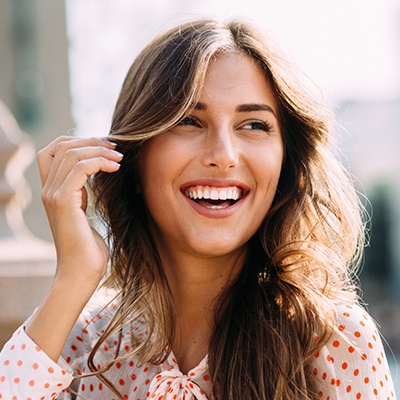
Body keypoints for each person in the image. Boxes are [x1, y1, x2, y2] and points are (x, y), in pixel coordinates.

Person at [0, 18, 396, 400]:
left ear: (285, 166)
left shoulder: (333, 340)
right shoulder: (82, 342)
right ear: (133, 158)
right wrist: (73, 278)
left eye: (254, 125)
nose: (223, 156)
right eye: (189, 120)